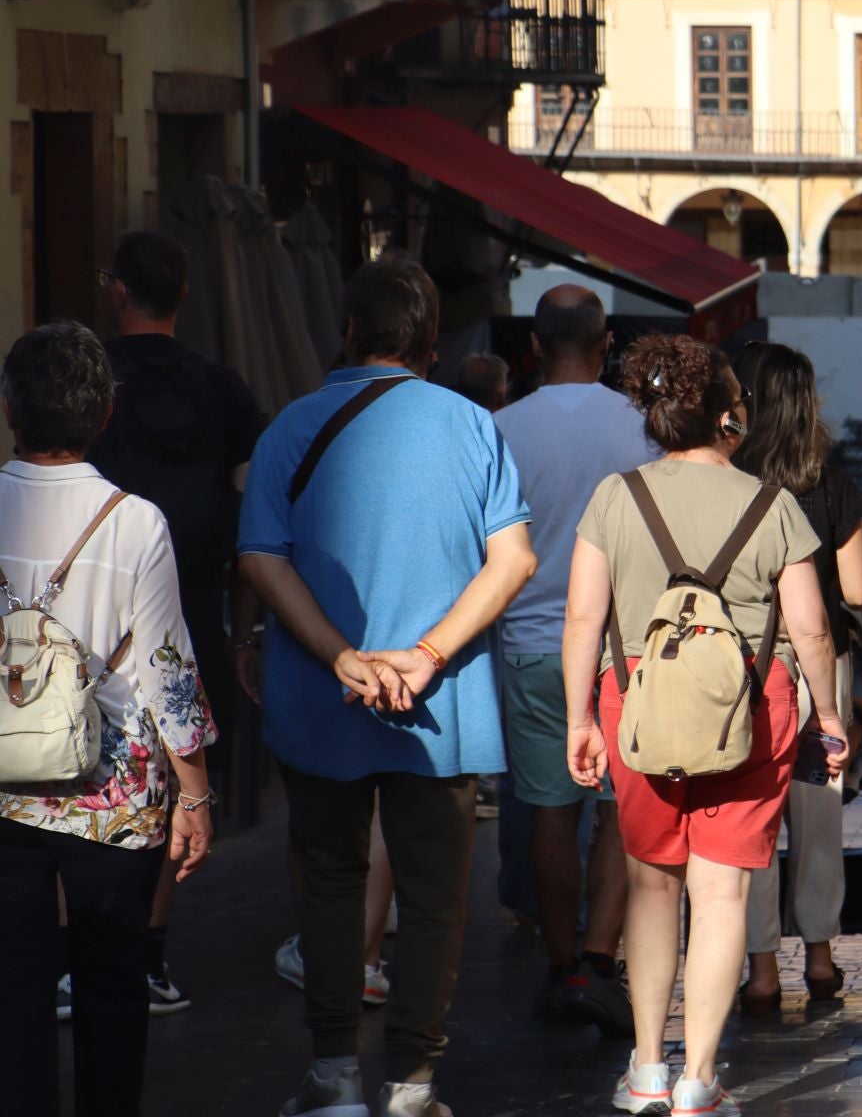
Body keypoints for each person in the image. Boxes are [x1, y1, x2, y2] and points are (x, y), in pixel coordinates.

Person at [239, 260, 536, 1117]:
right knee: (435, 894)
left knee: (331, 882)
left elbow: (261, 557)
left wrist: (340, 656)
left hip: (322, 698)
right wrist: (429, 655)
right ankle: (411, 1081)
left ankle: (334, 1074)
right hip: (439, 708)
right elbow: (512, 558)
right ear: (433, 343)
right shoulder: (473, 426)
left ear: (347, 333)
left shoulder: (291, 427)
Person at [562, 334, 844, 1117]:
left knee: (653, 886)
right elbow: (812, 630)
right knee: (721, 895)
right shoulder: (772, 505)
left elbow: (583, 616)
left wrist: (580, 717)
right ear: (729, 416)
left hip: (637, 705)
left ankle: (648, 1065)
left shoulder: (615, 497)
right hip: (751, 709)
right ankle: (699, 1080)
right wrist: (831, 719)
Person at [0, 321, 215, 1117]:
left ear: (11, 410)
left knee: (12, 987)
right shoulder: (134, 522)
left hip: (1, 789)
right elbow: (169, 674)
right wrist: (195, 794)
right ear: (103, 415)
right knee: (113, 988)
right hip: (110, 794)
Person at [86, 230, 265, 1015]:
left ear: (116, 291)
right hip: (187, 599)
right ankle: (148, 955)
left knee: (75, 772)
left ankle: (77, 958)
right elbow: (249, 494)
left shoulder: (91, 380)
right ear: (183, 295)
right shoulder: (220, 387)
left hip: (85, 608)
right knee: (161, 784)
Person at [491, 285, 655, 1030]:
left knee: (550, 814)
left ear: (532, 349)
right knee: (620, 812)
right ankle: (598, 959)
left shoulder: (497, 428)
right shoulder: (643, 428)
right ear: (605, 345)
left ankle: (561, 964)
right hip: (627, 647)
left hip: (530, 645)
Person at [733, 342, 862, 1012]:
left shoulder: (730, 477)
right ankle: (820, 958)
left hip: (744, 669)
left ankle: (761, 969)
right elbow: (857, 589)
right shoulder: (832, 480)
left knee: (752, 813)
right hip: (821, 665)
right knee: (818, 816)